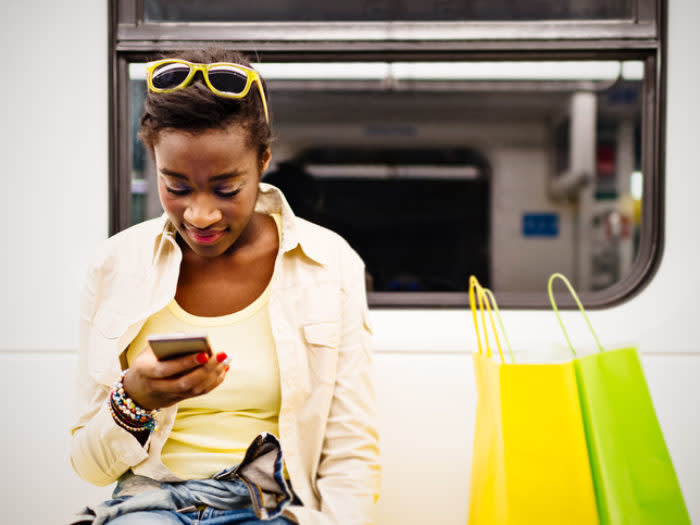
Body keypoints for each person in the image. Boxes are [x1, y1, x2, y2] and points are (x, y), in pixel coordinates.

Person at [70, 48, 380, 525]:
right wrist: (135, 398)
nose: (201, 214)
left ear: (263, 162)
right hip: (148, 503)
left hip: (269, 505)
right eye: (176, 186)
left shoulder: (328, 263)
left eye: (226, 188)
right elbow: (90, 466)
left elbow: (350, 450)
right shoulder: (115, 265)